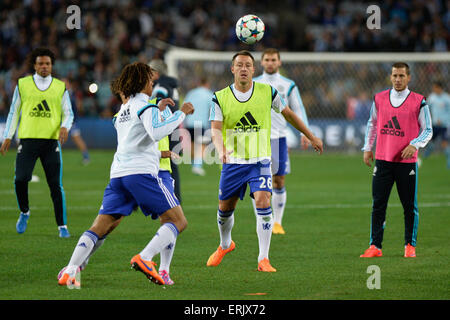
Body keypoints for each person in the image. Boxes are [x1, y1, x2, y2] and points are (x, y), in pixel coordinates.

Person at [57, 62, 194, 288]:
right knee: (178, 221)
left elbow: (135, 137)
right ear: (142, 81)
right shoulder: (144, 106)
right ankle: (146, 258)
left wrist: (157, 112)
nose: (153, 83)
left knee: (102, 226)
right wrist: (181, 113)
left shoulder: (123, 110)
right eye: (150, 80)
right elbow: (157, 131)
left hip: (118, 175)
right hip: (141, 175)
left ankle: (71, 270)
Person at [207, 50, 323, 272]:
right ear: (232, 69)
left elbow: (288, 114)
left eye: (247, 65)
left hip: (260, 161)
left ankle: (263, 258)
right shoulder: (219, 97)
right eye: (239, 64)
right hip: (233, 162)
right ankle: (225, 244)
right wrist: (221, 149)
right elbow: (215, 129)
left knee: (262, 201)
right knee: (224, 210)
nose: (243, 68)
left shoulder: (267, 92)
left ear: (253, 69)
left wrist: (310, 135)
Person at [360, 62, 433, 258]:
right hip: (383, 159)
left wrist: (414, 144)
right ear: (390, 77)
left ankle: (410, 245)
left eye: (402, 76)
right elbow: (372, 123)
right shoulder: (379, 98)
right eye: (395, 76)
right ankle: (375, 246)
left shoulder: (419, 101)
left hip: (406, 163)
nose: (398, 80)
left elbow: (428, 130)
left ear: (409, 78)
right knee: (378, 204)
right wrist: (368, 147)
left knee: (409, 205)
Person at [0, 47, 74, 238]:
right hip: (28, 140)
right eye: (40, 63)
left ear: (52, 66)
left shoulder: (60, 86)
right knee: (20, 179)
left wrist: (65, 126)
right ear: (34, 65)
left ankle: (62, 226)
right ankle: (24, 212)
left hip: (51, 143)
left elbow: (69, 113)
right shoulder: (22, 84)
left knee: (55, 186)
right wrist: (8, 136)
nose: (44, 66)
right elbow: (14, 112)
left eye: (47, 63)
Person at [253, 48, 311, 235]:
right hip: (257, 139)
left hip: (278, 137)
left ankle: (277, 222)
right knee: (259, 181)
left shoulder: (288, 85)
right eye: (267, 59)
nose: (270, 63)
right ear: (261, 63)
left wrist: (305, 133)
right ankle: (262, 220)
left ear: (279, 62)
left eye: (273, 59)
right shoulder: (253, 84)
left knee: (278, 180)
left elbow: (298, 108)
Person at [148, 59, 183, 203]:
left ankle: (168, 200)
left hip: (165, 131)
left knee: (154, 164)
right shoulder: (172, 86)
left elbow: (157, 108)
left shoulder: (160, 87)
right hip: (175, 130)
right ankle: (175, 199)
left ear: (156, 74)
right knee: (172, 167)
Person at [183, 76, 214, 176]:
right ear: (207, 84)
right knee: (201, 145)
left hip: (189, 122)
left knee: (192, 144)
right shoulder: (209, 94)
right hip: (201, 122)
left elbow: (184, 105)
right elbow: (214, 107)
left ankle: (194, 164)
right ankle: (197, 166)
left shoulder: (191, 93)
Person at [421, 81, 450, 168]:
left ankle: (449, 162)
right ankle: (427, 154)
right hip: (434, 125)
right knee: (428, 141)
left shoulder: (447, 99)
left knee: (444, 143)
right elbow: (427, 108)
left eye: (435, 87)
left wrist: (444, 120)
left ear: (440, 88)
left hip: (444, 126)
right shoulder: (432, 97)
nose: (434, 89)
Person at [63, 78, 90, 165]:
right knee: (57, 139)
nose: (63, 84)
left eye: (65, 82)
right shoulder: (63, 93)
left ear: (69, 84)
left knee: (77, 139)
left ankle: (86, 156)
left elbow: (78, 106)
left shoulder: (72, 94)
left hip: (71, 121)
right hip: (63, 121)